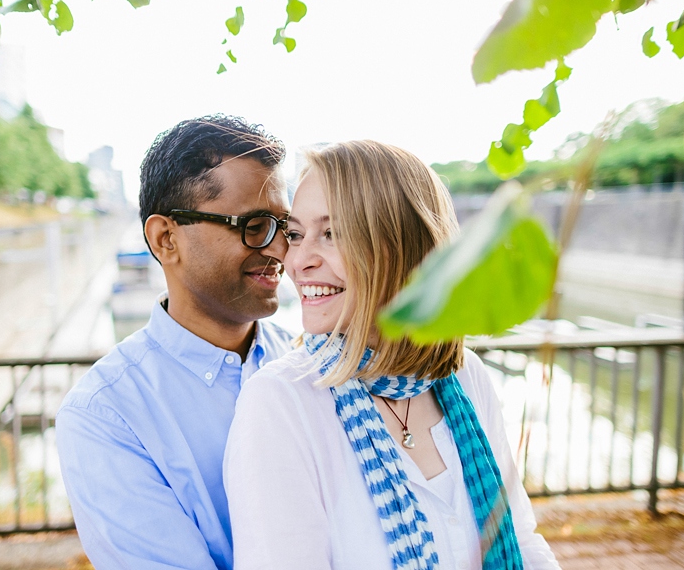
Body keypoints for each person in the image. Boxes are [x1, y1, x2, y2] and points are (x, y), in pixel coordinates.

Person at [224, 140, 559, 569]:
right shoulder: (281, 403)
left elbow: (522, 542)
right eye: (295, 234)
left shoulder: (464, 376)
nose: (298, 261)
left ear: (402, 245)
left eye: (332, 233)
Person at [57, 115, 293, 570]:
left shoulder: (313, 361)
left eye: (286, 226)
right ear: (166, 239)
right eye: (256, 225)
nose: (281, 249)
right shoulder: (106, 416)